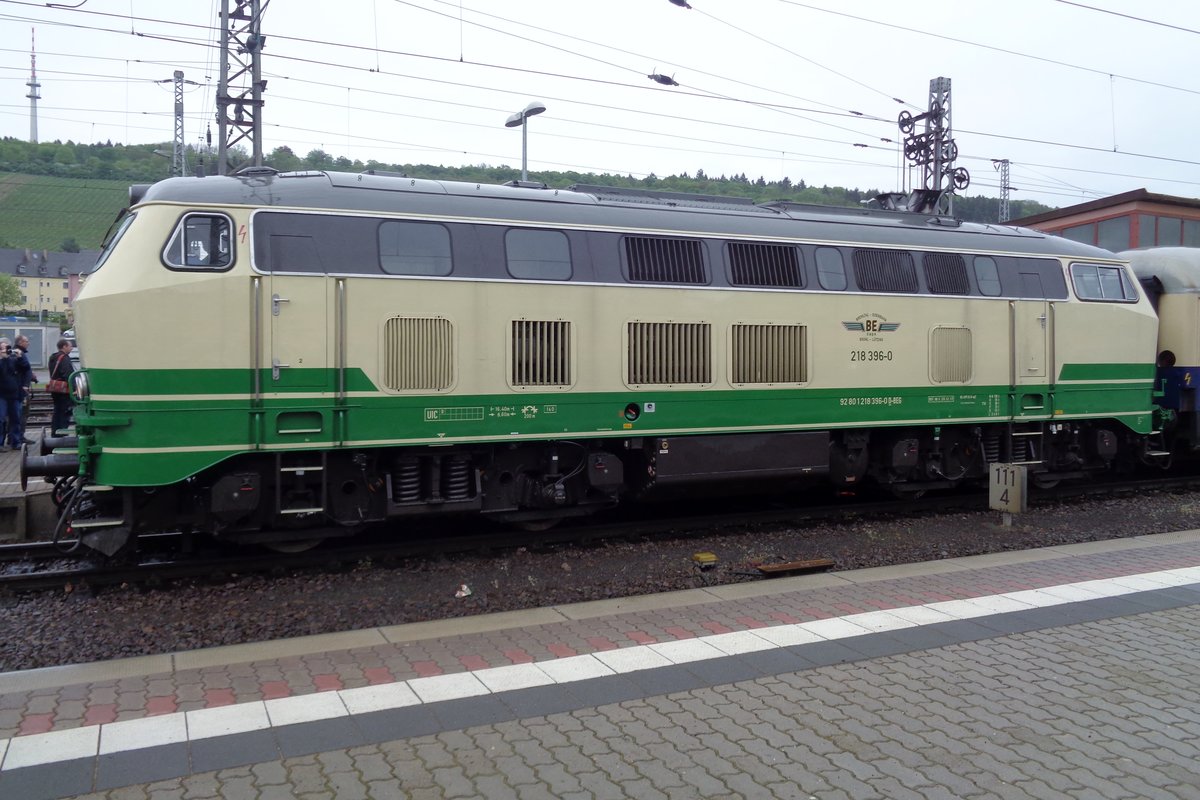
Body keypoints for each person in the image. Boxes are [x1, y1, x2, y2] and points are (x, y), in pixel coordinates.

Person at [0, 338, 30, 451]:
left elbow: (26, 368)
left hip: (14, 395)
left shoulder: (13, 359)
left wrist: (20, 357)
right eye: (2, 348)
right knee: (1, 419)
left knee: (16, 419)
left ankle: (15, 442)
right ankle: (0, 443)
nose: (5, 350)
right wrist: (2, 359)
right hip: (1, 395)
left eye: (7, 348)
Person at [49, 338, 74, 436]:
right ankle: (62, 433)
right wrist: (74, 388)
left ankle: (55, 433)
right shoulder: (64, 358)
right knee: (65, 412)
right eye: (70, 346)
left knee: (57, 412)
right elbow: (68, 375)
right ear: (64, 346)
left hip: (55, 388)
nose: (71, 348)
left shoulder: (53, 357)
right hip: (64, 390)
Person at [14, 334, 35, 444]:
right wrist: (25, 385)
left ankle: (18, 436)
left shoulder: (20, 353)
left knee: (22, 413)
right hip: (21, 389)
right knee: (22, 413)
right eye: (26, 341)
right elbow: (22, 369)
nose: (28, 343)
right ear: (20, 342)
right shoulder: (18, 354)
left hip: (22, 387)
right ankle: (19, 437)